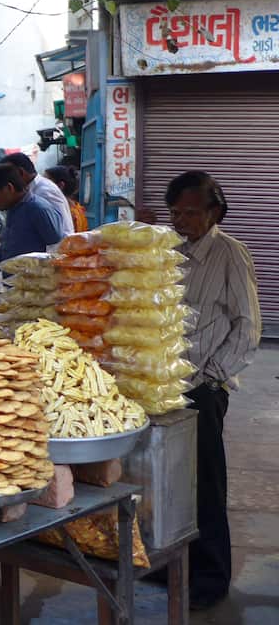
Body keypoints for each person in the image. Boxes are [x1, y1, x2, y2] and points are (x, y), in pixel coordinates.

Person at [163, 171, 260, 610]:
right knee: (168, 481)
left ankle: (210, 577)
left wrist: (215, 375)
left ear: (214, 212)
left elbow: (248, 325)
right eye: (176, 212)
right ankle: (170, 566)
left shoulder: (229, 254)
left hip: (203, 388)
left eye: (191, 212)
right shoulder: (168, 251)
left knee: (205, 485)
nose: (181, 220)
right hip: (164, 386)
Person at [0, 163, 63, 272]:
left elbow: (57, 250)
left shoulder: (38, 209)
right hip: (15, 284)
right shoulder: (13, 210)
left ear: (10, 188)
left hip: (34, 285)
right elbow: (6, 253)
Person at [2, 152, 74, 236]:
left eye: (8, 177)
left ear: (21, 172)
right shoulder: (32, 190)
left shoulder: (44, 191)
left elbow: (58, 232)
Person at [45, 165, 89, 233]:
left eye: (46, 183)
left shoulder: (66, 212)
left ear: (60, 185)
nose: (42, 185)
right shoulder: (78, 208)